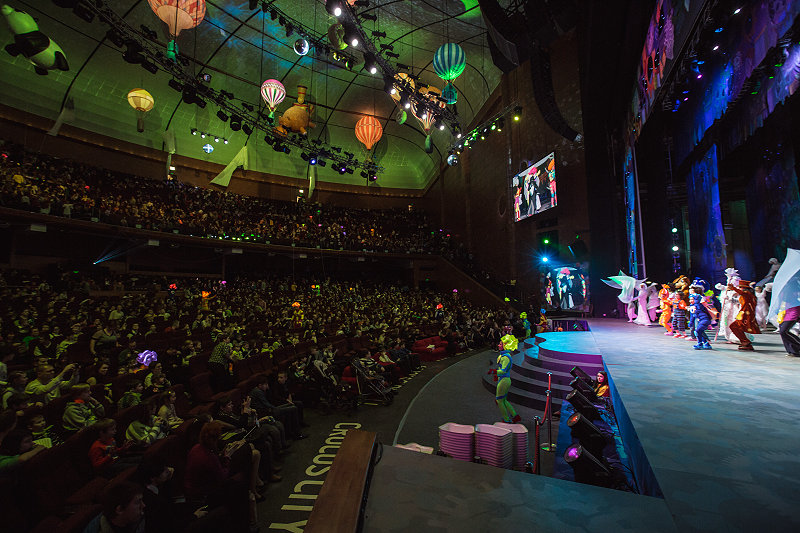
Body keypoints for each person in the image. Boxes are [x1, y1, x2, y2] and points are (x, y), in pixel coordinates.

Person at [184, 421, 257, 533]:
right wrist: (227, 458)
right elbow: (222, 476)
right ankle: (245, 526)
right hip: (204, 494)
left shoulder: (197, 448)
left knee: (241, 472)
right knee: (240, 483)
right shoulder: (208, 457)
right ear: (214, 439)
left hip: (198, 489)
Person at [249, 376, 305, 440]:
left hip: (269, 409)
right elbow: (266, 404)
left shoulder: (259, 390)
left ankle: (292, 432)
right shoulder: (258, 392)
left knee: (291, 405)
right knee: (293, 408)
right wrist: (276, 408)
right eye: (266, 384)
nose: (267, 386)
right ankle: (297, 434)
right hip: (267, 412)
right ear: (260, 385)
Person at [494, 329, 521, 424]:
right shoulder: (505, 356)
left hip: (504, 380)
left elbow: (503, 371)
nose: (498, 345)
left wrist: (494, 372)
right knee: (503, 400)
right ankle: (514, 415)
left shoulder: (505, 357)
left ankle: (506, 419)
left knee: (500, 401)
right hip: (504, 380)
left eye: (500, 344)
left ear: (505, 345)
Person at [727, 280, 760, 351]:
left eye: (740, 287)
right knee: (735, 327)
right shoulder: (748, 295)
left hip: (745, 315)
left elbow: (742, 293)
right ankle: (745, 341)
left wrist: (733, 288)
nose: (740, 289)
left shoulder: (747, 293)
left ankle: (745, 341)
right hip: (743, 314)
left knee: (734, 326)